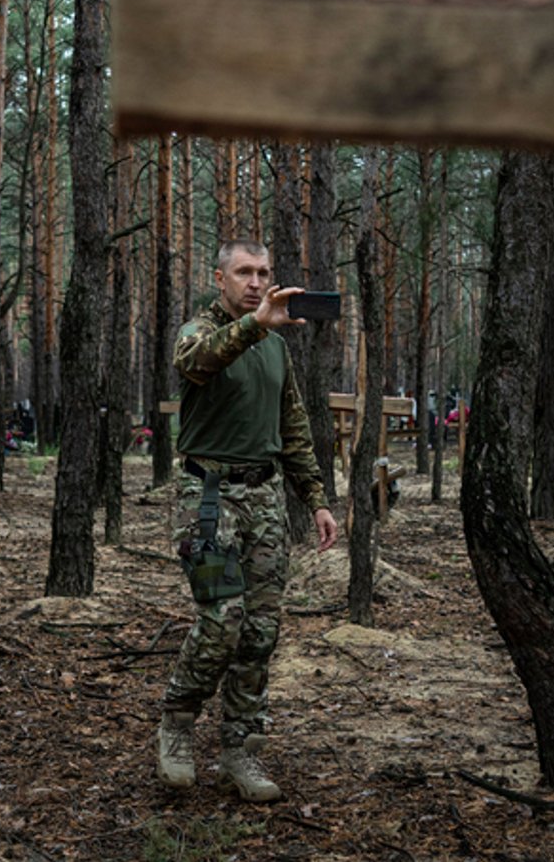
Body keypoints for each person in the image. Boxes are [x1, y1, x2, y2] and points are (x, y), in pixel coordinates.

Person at [155, 240, 339, 803]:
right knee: (221, 620)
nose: (256, 282)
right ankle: (178, 725)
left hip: (264, 501)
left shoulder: (276, 347)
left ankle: (239, 749)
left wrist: (316, 497)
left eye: (264, 273)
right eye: (244, 273)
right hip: (208, 499)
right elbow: (197, 363)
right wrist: (255, 325)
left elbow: (294, 428)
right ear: (221, 278)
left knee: (260, 632)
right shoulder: (199, 331)